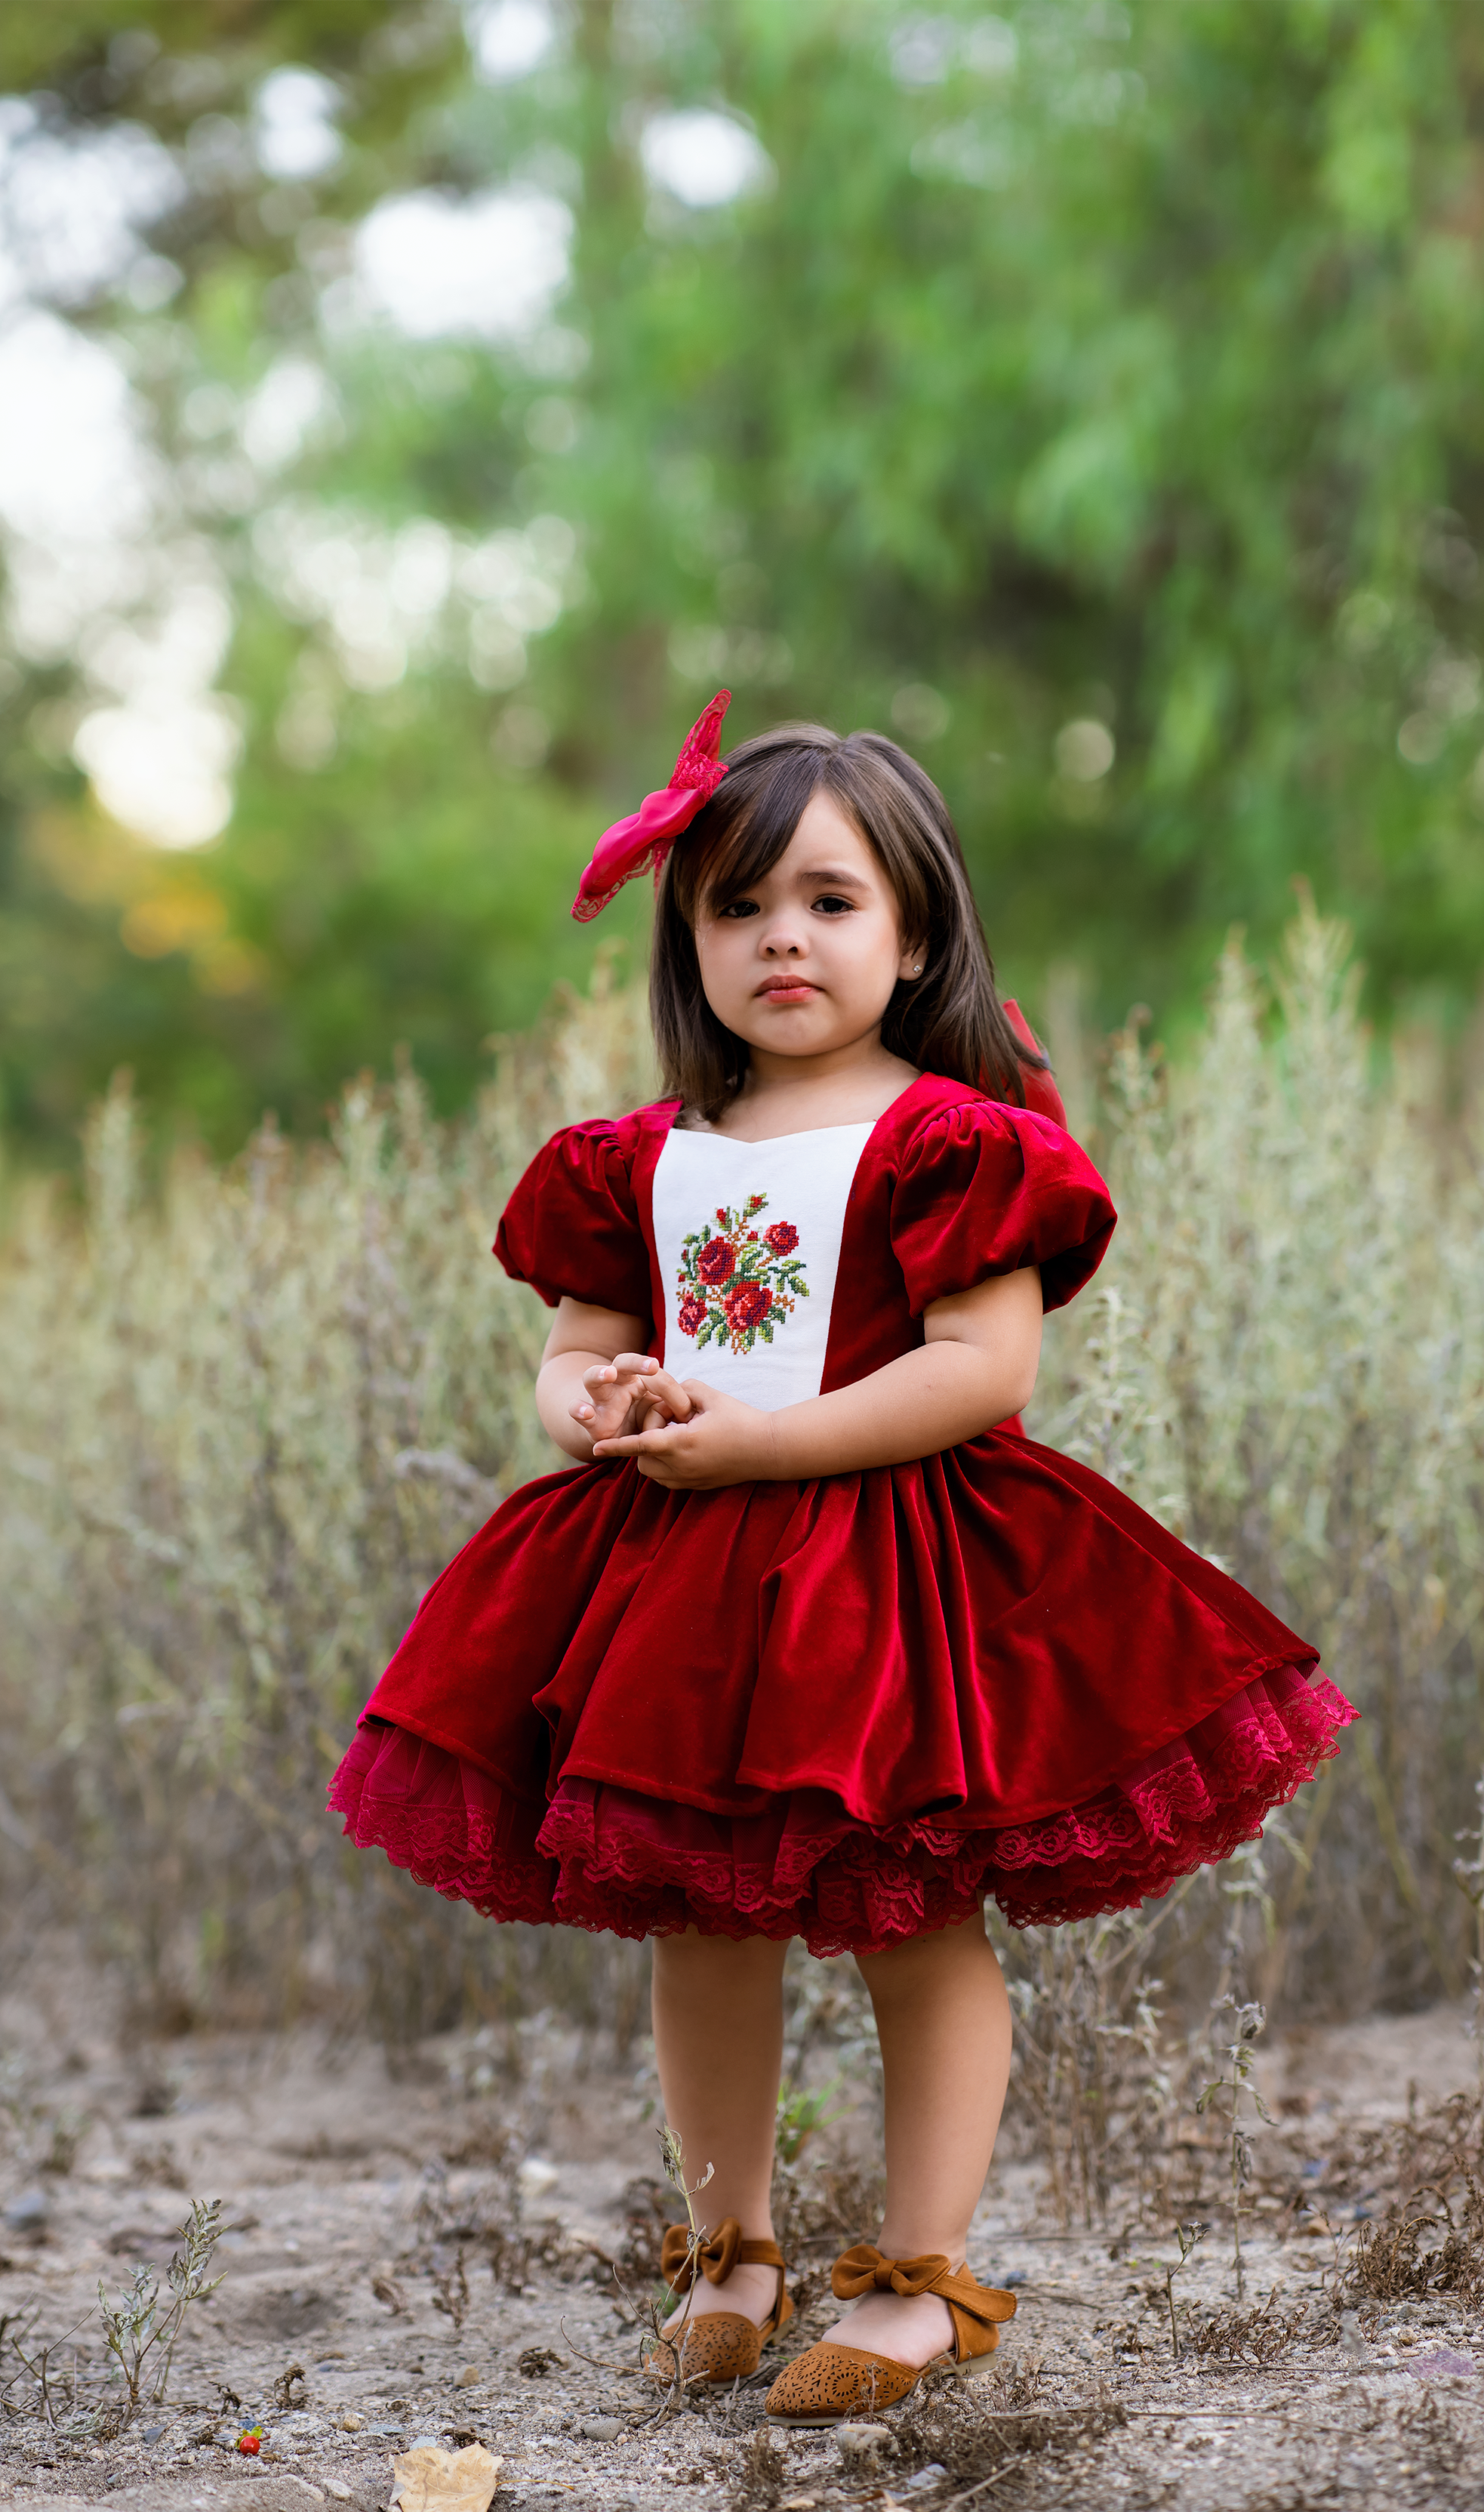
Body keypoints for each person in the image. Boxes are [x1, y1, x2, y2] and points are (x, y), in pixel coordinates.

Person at [329, 693, 1354, 2422]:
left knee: (914, 1912)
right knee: (698, 1920)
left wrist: (758, 1441)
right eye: (736, 907)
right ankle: (728, 2248)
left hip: (887, 1584)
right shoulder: (637, 1159)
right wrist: (605, 1403)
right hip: (674, 1589)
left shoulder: (950, 1140)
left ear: (915, 928)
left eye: (826, 899)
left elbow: (980, 1372)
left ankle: (918, 2276)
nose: (779, 937)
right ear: (689, 944)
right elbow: (576, 1343)